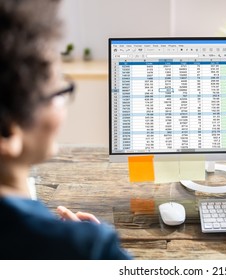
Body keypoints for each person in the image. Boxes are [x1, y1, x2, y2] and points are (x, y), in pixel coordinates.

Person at [0, 0, 132, 259]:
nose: (63, 108)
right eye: (58, 93)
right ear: (7, 133)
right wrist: (92, 248)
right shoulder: (87, 248)